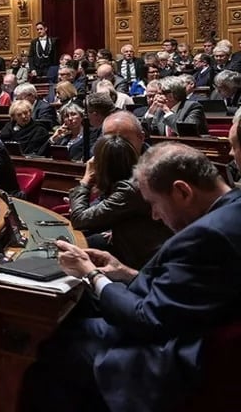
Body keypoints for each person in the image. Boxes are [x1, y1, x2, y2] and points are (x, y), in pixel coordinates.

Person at [24, 143, 241, 412]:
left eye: (154, 203)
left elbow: (148, 319)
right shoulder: (233, 207)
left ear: (182, 191)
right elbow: (188, 289)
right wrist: (125, 273)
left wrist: (91, 274)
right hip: (183, 327)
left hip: (172, 357)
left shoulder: (208, 235)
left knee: (51, 347)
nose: (154, 215)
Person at [68, 134, 172, 269]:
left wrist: (85, 181)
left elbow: (80, 220)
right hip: (142, 248)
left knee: (73, 249)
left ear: (102, 165)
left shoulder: (128, 190)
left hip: (145, 263)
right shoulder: (134, 182)